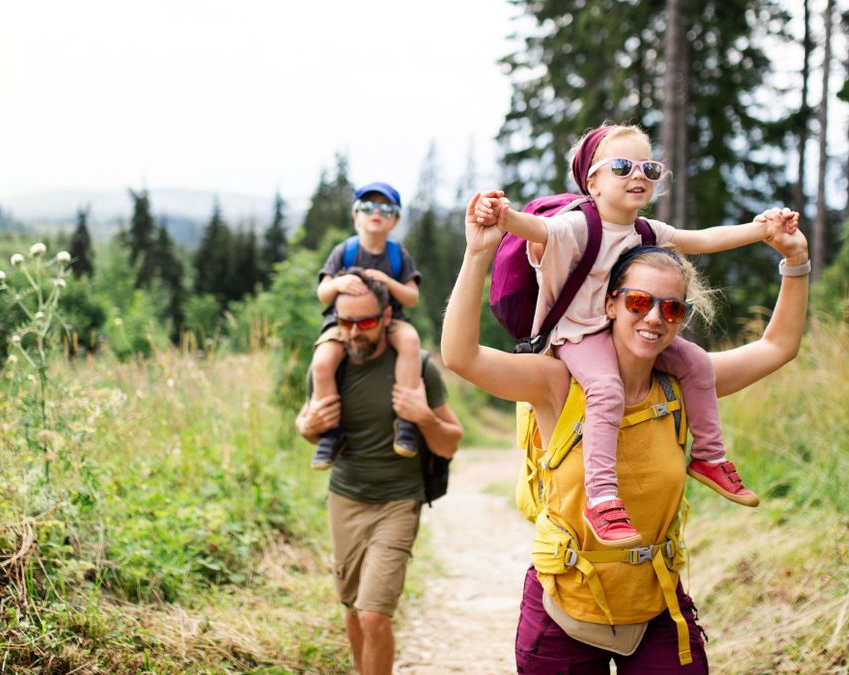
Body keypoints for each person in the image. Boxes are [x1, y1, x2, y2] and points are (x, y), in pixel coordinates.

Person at [442, 191, 809, 671]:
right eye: (638, 302)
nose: (654, 318)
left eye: (673, 309)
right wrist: (477, 253)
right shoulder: (558, 382)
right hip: (563, 612)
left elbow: (778, 346)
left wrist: (796, 261)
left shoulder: (684, 385)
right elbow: (460, 356)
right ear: (609, 305)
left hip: (658, 608)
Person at [471, 123, 800, 548]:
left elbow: (699, 240)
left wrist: (762, 231)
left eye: (649, 167)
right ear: (593, 181)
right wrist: (501, 216)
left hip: (618, 332)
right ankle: (603, 498)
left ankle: (708, 457)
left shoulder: (645, 232)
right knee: (606, 389)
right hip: (577, 338)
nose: (638, 175)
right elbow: (535, 229)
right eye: (623, 166)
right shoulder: (576, 226)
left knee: (697, 362)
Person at [296, 269, 463, 675]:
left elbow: (450, 441)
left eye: (366, 321)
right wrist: (306, 426)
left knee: (373, 614)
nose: (354, 332)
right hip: (345, 499)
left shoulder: (419, 368)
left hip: (398, 503)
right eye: (345, 322)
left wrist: (422, 417)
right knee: (353, 610)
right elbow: (308, 427)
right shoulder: (329, 366)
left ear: (387, 317)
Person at [309, 181, 426, 470]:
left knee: (410, 343)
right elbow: (323, 293)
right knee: (322, 363)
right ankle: (330, 432)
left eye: (386, 209)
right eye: (367, 207)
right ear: (355, 215)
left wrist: (387, 282)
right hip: (345, 322)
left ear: (396, 219)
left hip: (390, 320)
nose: (376, 213)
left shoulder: (398, 255)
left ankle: (406, 421)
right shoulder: (344, 252)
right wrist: (337, 282)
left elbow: (412, 297)